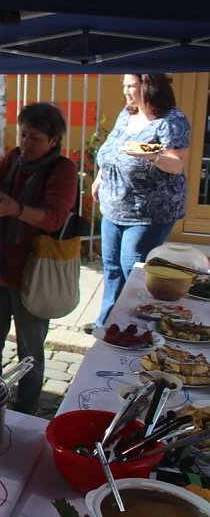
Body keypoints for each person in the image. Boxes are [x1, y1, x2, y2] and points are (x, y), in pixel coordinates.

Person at [0, 103, 78, 415]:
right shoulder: (14, 157)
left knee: (31, 352)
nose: (25, 143)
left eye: (35, 138)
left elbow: (53, 217)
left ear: (54, 140)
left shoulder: (62, 169)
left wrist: (17, 210)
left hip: (35, 275)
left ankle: (26, 411)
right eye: (23, 135)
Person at [85, 74, 190, 333]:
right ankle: (107, 323)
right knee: (111, 268)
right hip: (114, 207)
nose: (126, 91)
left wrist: (153, 155)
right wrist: (100, 176)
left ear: (149, 86)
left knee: (133, 271)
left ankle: (134, 327)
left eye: (131, 86)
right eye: (124, 86)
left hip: (148, 213)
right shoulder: (127, 113)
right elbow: (113, 149)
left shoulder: (172, 120)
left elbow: (176, 163)